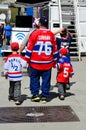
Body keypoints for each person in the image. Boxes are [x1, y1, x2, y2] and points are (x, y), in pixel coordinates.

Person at [25, 17, 57, 103]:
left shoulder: (34, 34)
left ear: (39, 24)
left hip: (35, 62)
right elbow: (55, 49)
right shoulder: (51, 34)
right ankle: (44, 96)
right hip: (47, 62)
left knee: (34, 78)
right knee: (46, 79)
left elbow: (29, 48)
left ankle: (35, 95)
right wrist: (55, 61)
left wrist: (26, 60)